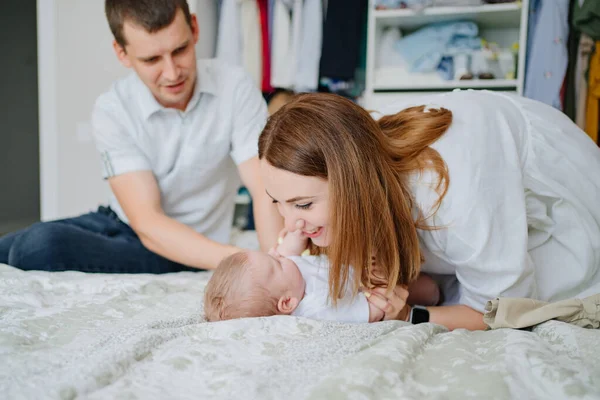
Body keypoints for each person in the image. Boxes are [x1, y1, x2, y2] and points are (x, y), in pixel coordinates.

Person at [257, 90, 600, 331]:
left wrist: (410, 315)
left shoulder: (452, 194)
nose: (290, 223)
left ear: (352, 183)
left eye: (302, 204)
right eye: (278, 202)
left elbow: (501, 311)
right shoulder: (351, 141)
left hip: (566, 199)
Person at [0, 0, 282, 273]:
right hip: (131, 224)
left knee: (37, 247)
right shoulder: (112, 108)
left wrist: (275, 262)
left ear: (194, 29)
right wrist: (240, 258)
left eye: (180, 50)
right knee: (7, 247)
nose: (172, 73)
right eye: (152, 59)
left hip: (189, 247)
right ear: (122, 53)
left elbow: (264, 187)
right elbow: (147, 220)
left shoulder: (235, 87)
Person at [204, 224, 441, 323]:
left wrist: (296, 233)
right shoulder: (315, 307)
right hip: (372, 287)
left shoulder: (286, 273)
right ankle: (438, 295)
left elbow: (287, 250)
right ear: (287, 303)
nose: (277, 256)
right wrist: (379, 303)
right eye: (275, 264)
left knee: (416, 272)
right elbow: (359, 312)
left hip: (359, 267)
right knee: (427, 290)